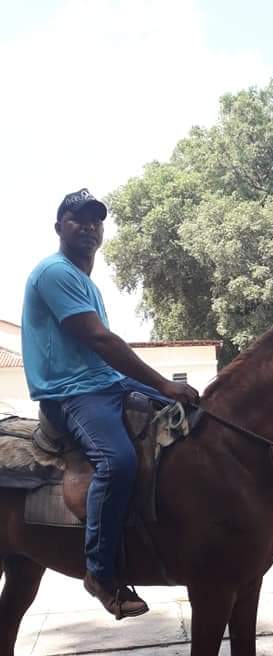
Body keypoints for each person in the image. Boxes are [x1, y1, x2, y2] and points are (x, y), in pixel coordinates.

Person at [21, 189, 199, 619]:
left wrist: (167, 392)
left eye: (95, 221)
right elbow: (99, 339)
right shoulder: (54, 273)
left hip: (105, 384)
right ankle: (100, 573)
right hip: (71, 393)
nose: (88, 227)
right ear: (59, 226)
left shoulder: (86, 283)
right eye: (77, 219)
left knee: (196, 414)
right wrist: (161, 382)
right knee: (117, 461)